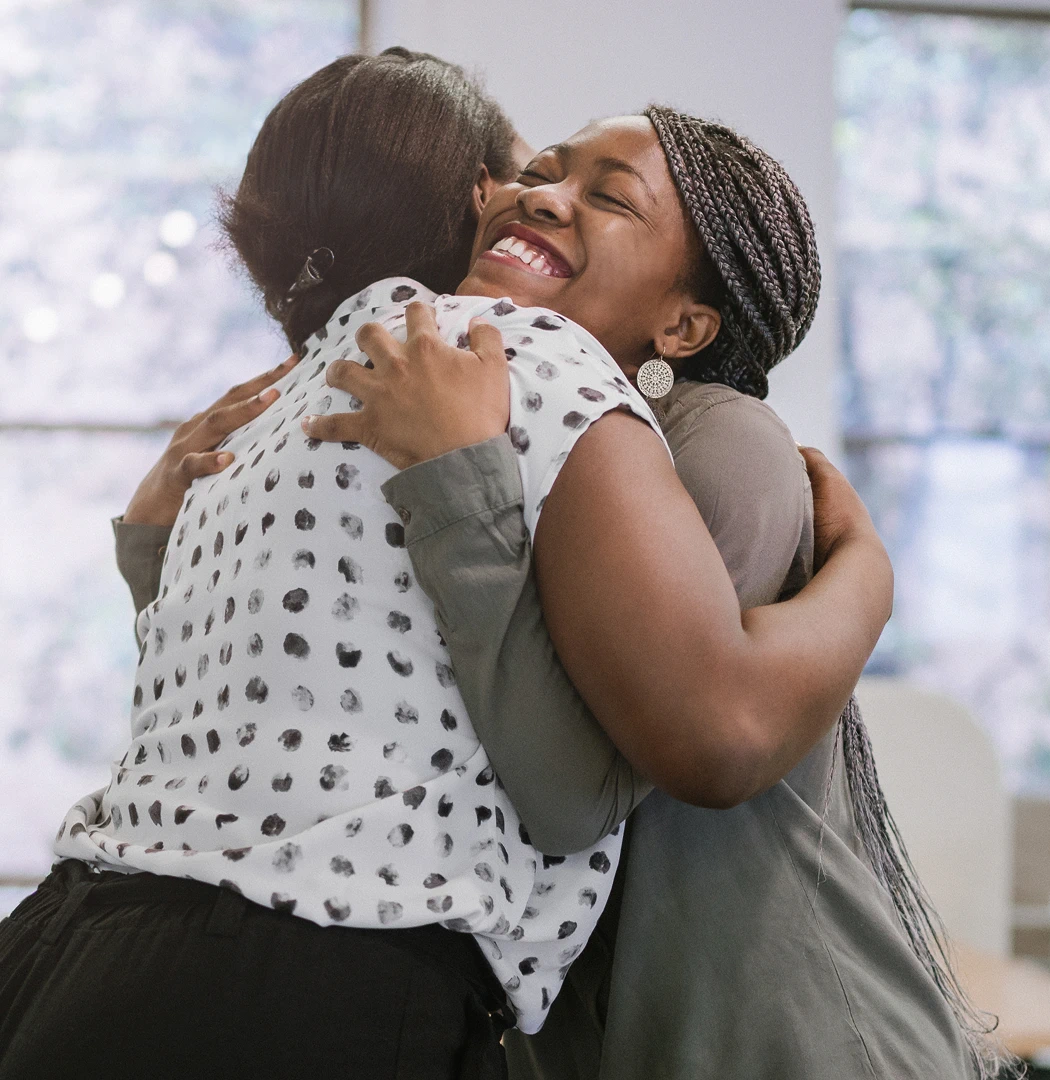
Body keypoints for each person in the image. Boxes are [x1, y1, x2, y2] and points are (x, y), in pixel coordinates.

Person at [0, 51, 891, 1080]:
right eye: (533, 169)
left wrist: (151, 549)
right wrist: (869, 570)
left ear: (687, 326)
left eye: (604, 195)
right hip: (294, 986)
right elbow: (694, 746)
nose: (535, 194)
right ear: (470, 196)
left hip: (64, 953)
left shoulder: (298, 392)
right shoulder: (527, 363)